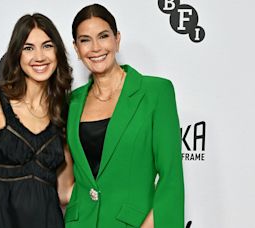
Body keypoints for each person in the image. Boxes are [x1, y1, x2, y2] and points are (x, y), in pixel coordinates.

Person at [65, 4, 184, 228]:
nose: (96, 47)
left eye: (103, 36)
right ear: (76, 48)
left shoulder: (156, 92)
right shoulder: (71, 102)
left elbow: (171, 178)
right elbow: (70, 181)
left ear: (117, 39)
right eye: (85, 40)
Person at [0, 13, 73, 228]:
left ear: (58, 52)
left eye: (47, 46)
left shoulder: (63, 111)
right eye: (28, 48)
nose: (39, 56)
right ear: (17, 55)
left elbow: (64, 192)